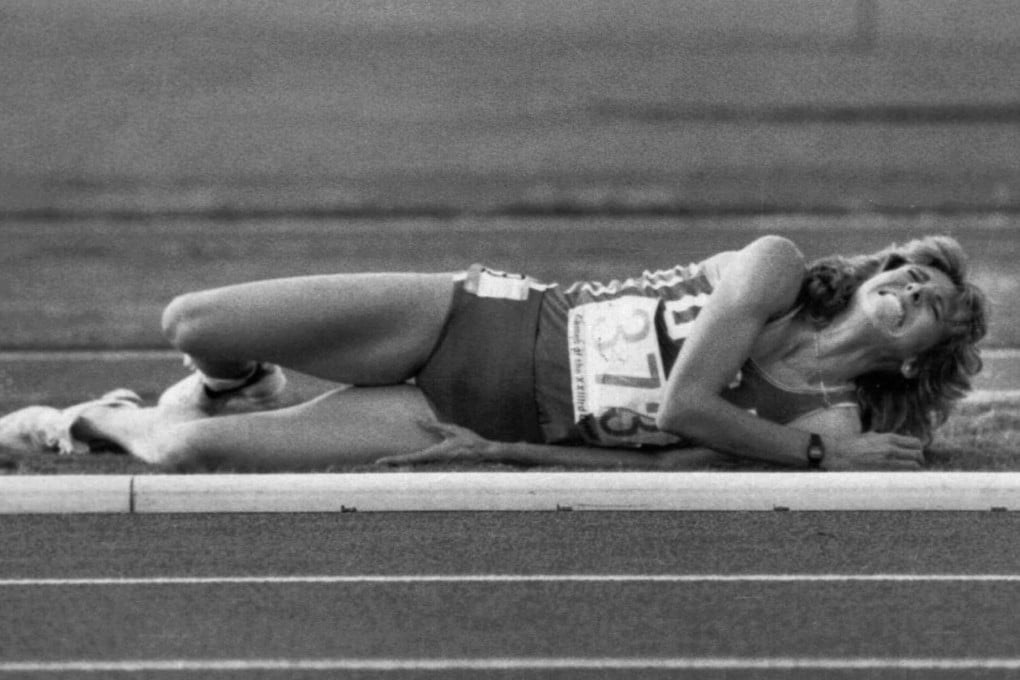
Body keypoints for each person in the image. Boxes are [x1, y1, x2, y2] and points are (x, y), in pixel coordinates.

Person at [62, 234, 985, 472]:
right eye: (906, 274)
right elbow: (685, 408)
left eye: (931, 305)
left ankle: (107, 419)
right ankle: (238, 378)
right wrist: (822, 451)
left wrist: (510, 452)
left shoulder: (818, 417)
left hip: (464, 416)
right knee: (192, 322)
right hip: (466, 321)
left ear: (919, 357)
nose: (910, 290)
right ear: (872, 274)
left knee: (182, 452)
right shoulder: (773, 272)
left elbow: (666, 464)